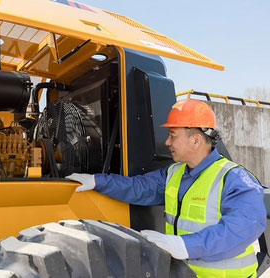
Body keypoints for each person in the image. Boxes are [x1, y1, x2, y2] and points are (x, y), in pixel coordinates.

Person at [67, 99, 266, 277]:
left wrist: (184, 245)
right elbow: (139, 187)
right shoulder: (174, 173)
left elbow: (243, 226)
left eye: (172, 135)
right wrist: (97, 181)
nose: (167, 142)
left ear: (195, 140)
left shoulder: (234, 178)